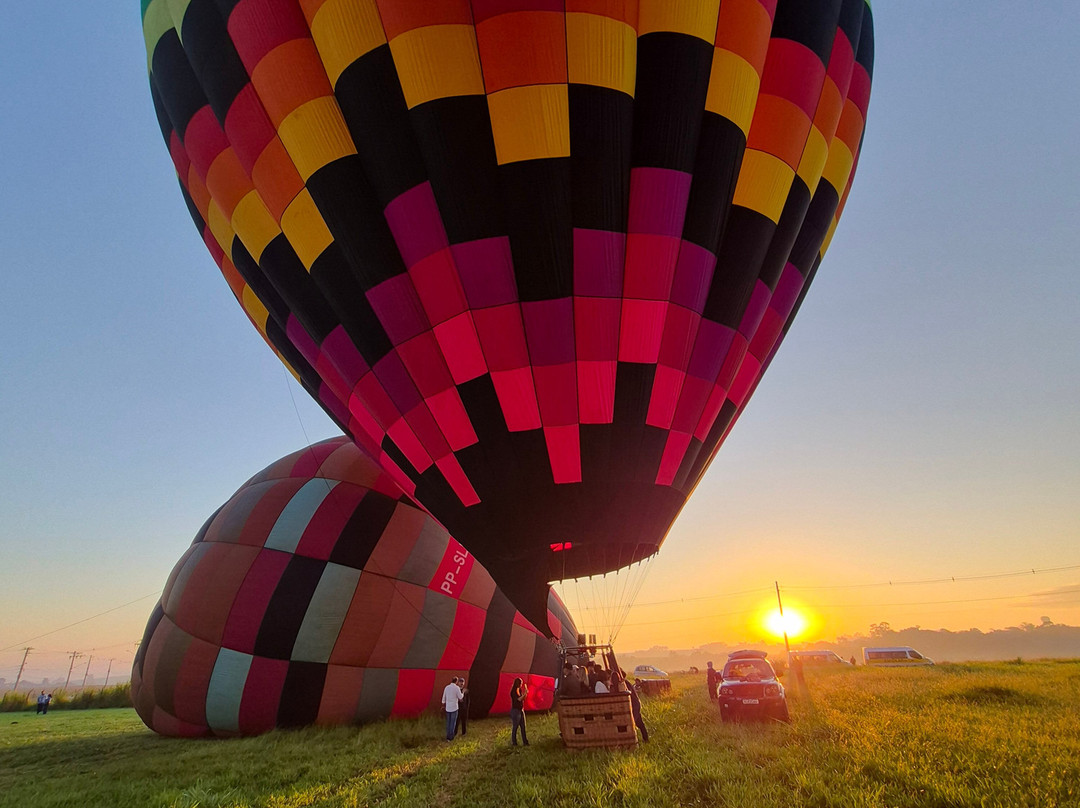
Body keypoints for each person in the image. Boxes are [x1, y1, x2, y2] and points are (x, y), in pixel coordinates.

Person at [441, 676, 464, 741]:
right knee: (453, 722)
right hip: (454, 707)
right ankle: (450, 737)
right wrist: (463, 693)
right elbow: (460, 697)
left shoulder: (447, 687)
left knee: (448, 722)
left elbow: (444, 697)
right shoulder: (456, 688)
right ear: (456, 681)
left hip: (448, 707)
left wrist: (443, 704)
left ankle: (447, 735)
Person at [509, 677, 529, 746]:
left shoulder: (519, 690)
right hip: (515, 711)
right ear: (518, 683)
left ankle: (525, 742)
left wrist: (525, 694)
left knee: (523, 726)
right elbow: (518, 699)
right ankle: (514, 742)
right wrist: (524, 694)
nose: (521, 685)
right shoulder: (513, 692)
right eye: (521, 684)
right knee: (515, 727)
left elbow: (523, 699)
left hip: (521, 710)